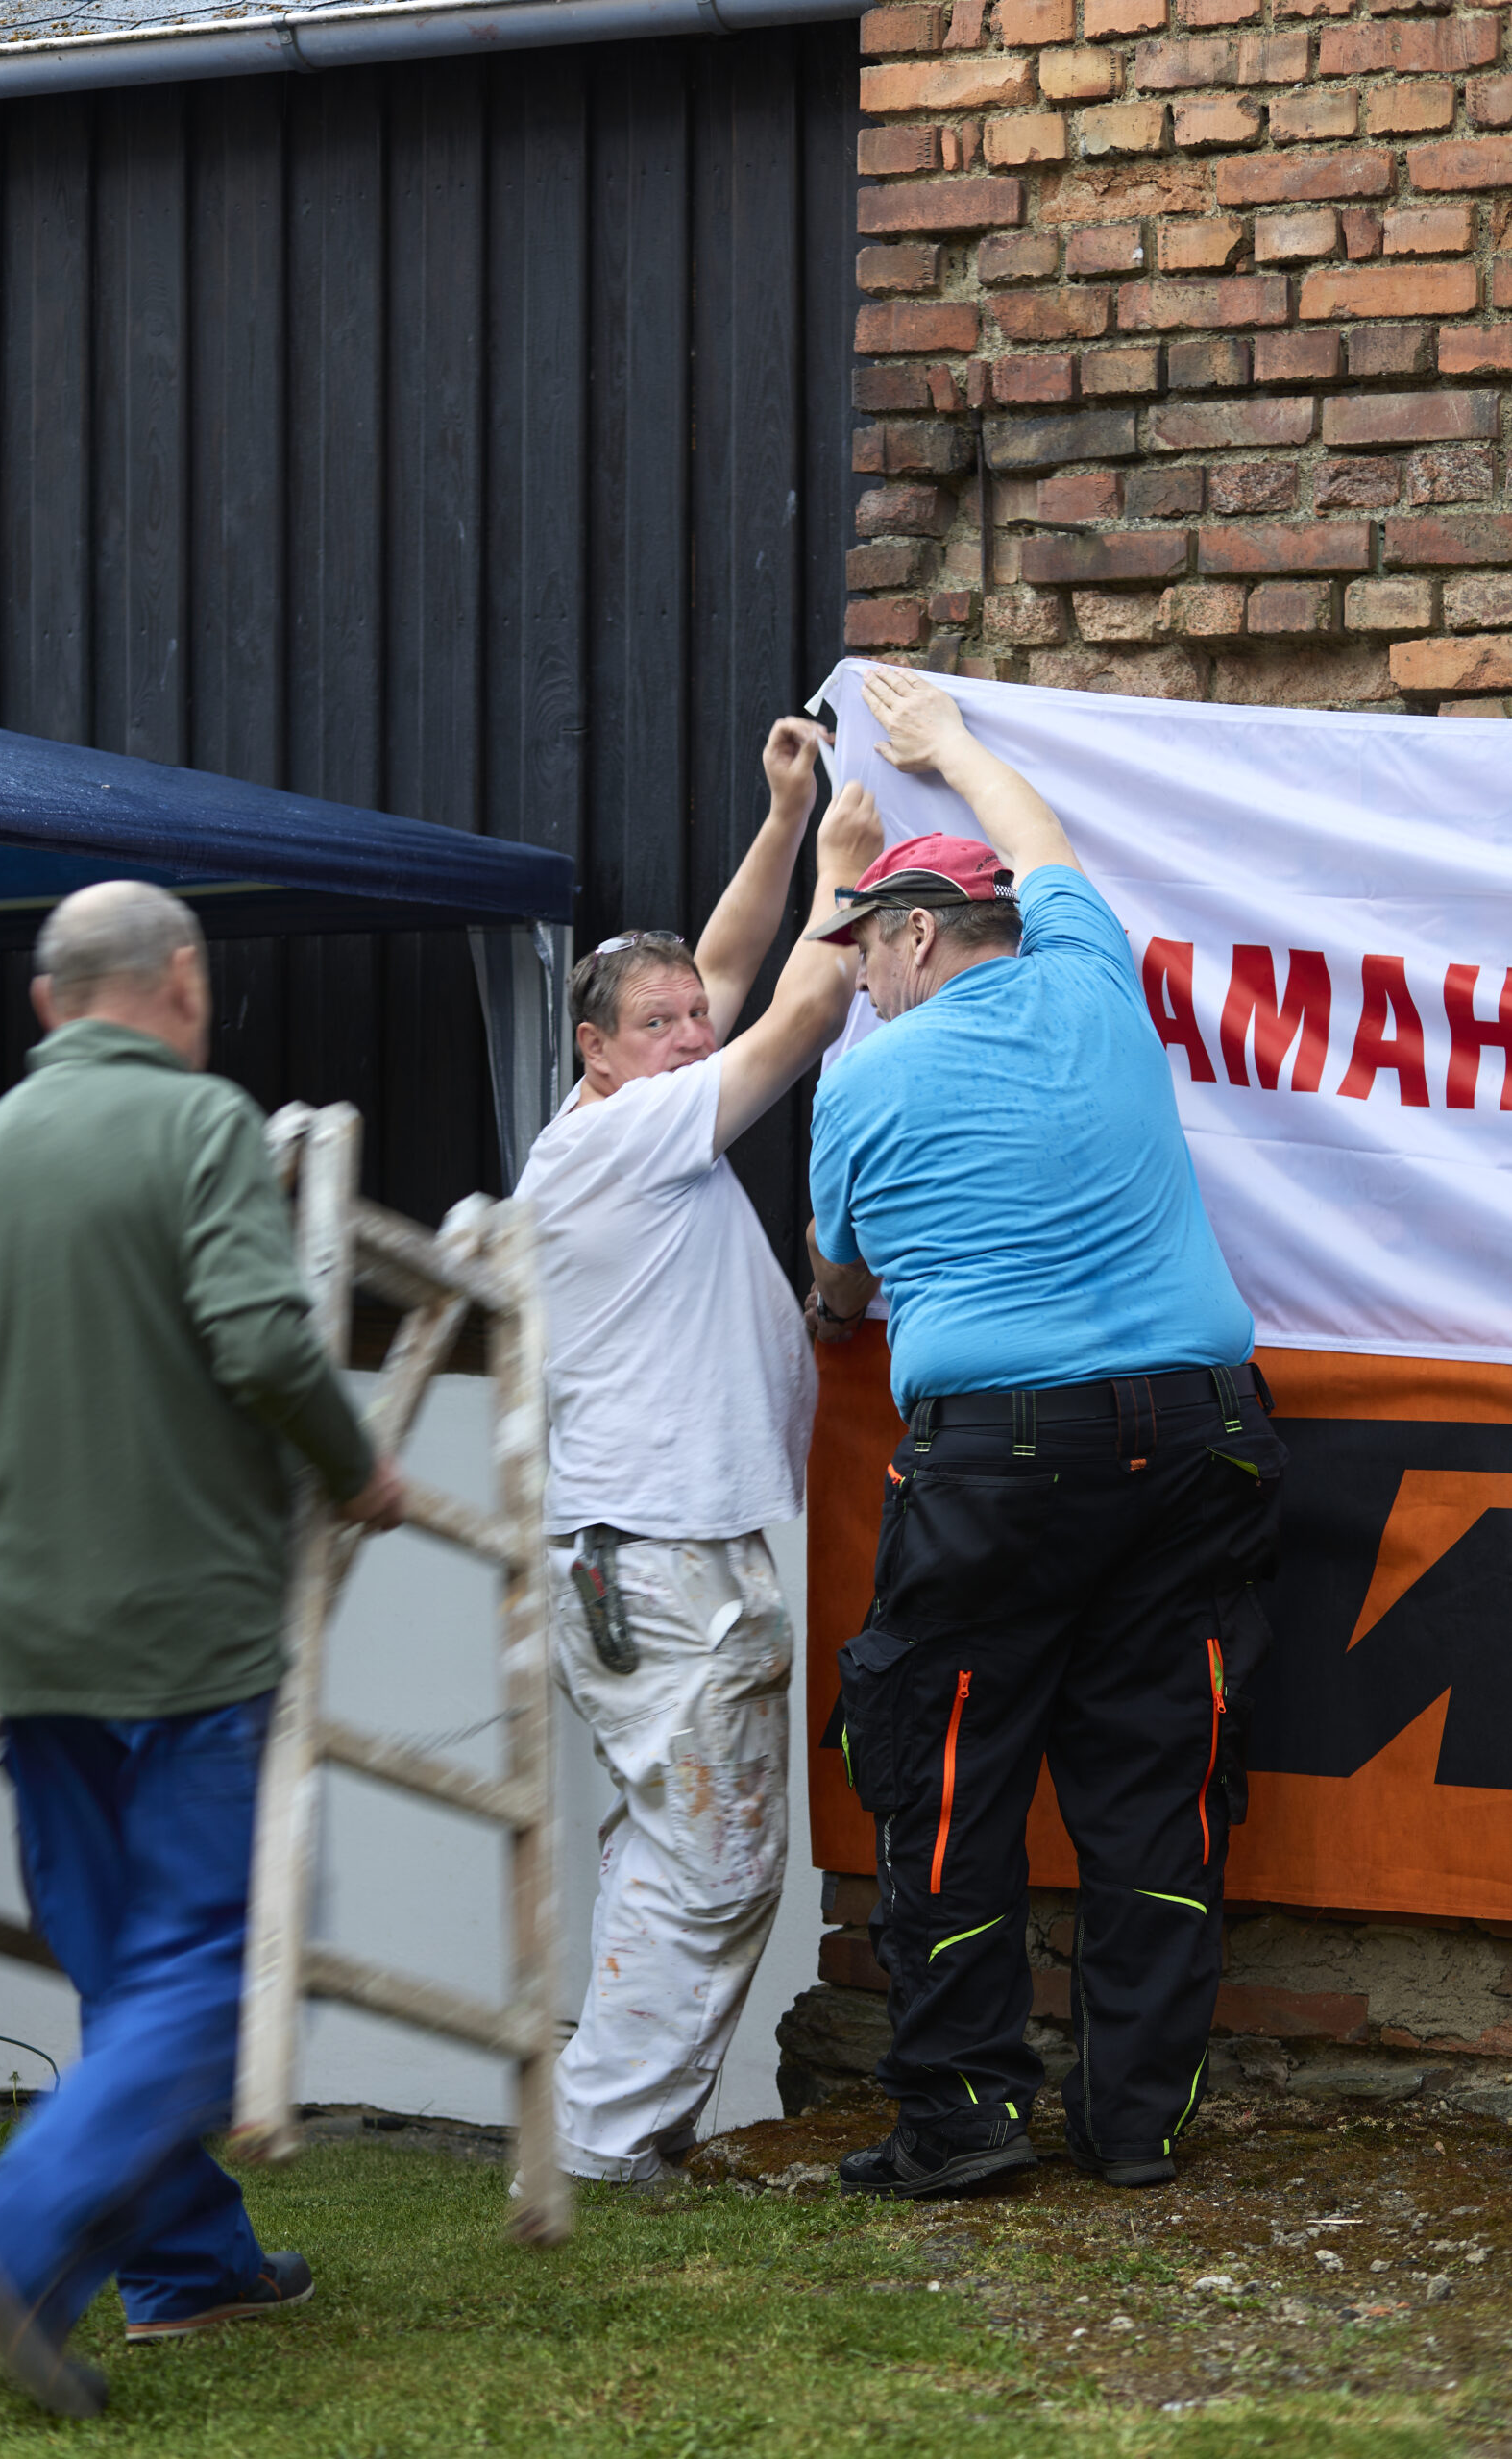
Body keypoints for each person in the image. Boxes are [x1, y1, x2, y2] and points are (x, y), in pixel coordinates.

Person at [0, 881, 408, 2417]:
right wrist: (355, 1466)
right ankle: (12, 2235)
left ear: (49, 1002)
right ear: (183, 979)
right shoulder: (197, 1124)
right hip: (187, 1624)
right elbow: (259, 1336)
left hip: (37, 1630)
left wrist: (34, 1437)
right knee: (222, 1958)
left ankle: (185, 2267)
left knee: (127, 1968)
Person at [805, 668, 1284, 2203]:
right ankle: (1134, 2126)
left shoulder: (864, 1082)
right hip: (1196, 1444)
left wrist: (831, 1304)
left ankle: (963, 2121)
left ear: (916, 935)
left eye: (862, 950)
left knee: (951, 1778)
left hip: (997, 1464)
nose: (860, 982)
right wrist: (951, 744)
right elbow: (1043, 839)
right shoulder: (1091, 974)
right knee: (1156, 1779)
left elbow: (840, 1281)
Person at [516, 719, 881, 2189]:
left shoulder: (620, 1114)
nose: (688, 1035)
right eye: (656, 1025)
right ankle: (606, 2144)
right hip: (663, 1565)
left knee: (672, 1848)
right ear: (595, 1053)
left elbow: (729, 974)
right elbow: (801, 1009)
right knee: (717, 1865)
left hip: (652, 1555)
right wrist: (848, 873)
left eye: (689, 1021)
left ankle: (608, 2125)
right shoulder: (624, 1140)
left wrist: (784, 814)